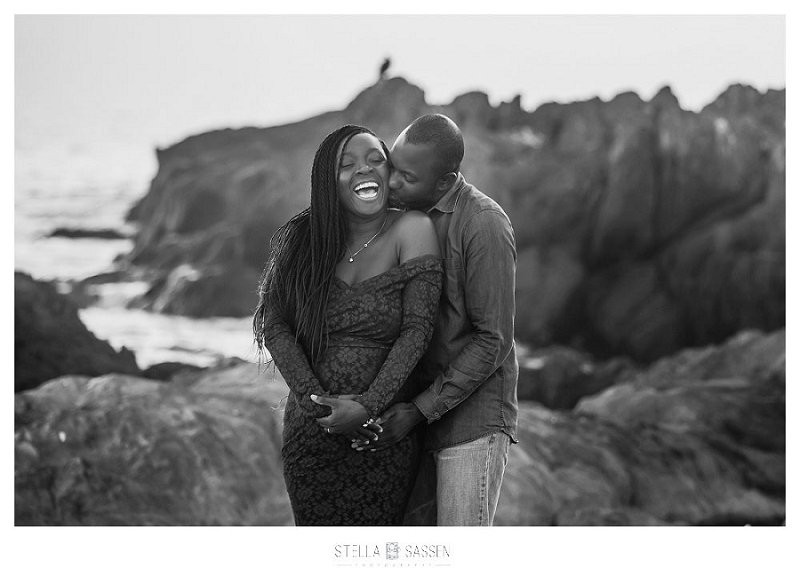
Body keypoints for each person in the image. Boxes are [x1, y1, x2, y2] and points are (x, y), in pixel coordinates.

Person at [252, 124, 443, 526]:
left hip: (379, 437)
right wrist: (314, 404)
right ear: (328, 179)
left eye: (376, 160)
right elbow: (276, 325)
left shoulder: (412, 229)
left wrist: (368, 407)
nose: (364, 170)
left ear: (389, 174)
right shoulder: (303, 240)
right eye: (348, 164)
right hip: (312, 437)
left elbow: (417, 330)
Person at [355, 114, 518, 526]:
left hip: (472, 423)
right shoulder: (401, 214)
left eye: (406, 177)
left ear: (444, 183)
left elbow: (492, 340)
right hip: (416, 419)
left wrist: (418, 410)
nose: (391, 183)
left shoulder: (483, 225)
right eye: (392, 168)